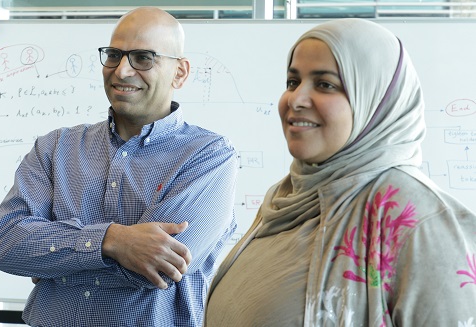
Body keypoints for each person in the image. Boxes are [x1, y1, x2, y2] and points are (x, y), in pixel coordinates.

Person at [204, 18, 476, 326]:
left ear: (375, 101)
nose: (296, 99)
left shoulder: (418, 219)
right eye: (293, 82)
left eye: (325, 85)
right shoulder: (286, 200)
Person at [0, 7, 237, 327]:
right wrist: (114, 241)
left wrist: (56, 261)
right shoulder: (54, 148)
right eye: (114, 54)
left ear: (180, 73)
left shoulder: (209, 156)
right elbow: (9, 246)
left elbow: (159, 269)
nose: (122, 71)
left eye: (143, 57)